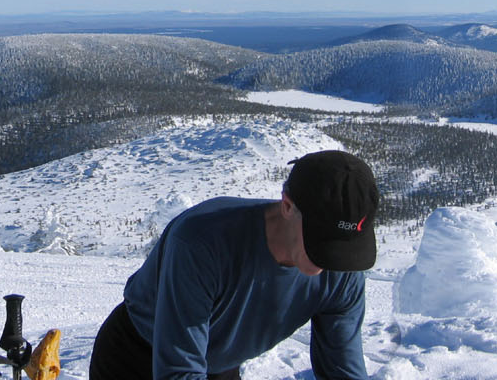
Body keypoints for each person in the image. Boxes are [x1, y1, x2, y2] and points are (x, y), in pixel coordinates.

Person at [89, 150, 380, 380]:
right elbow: (179, 371)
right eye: (323, 242)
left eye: (345, 247)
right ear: (288, 206)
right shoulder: (202, 242)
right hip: (134, 358)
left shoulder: (343, 272)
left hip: (219, 367)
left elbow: (343, 371)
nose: (333, 261)